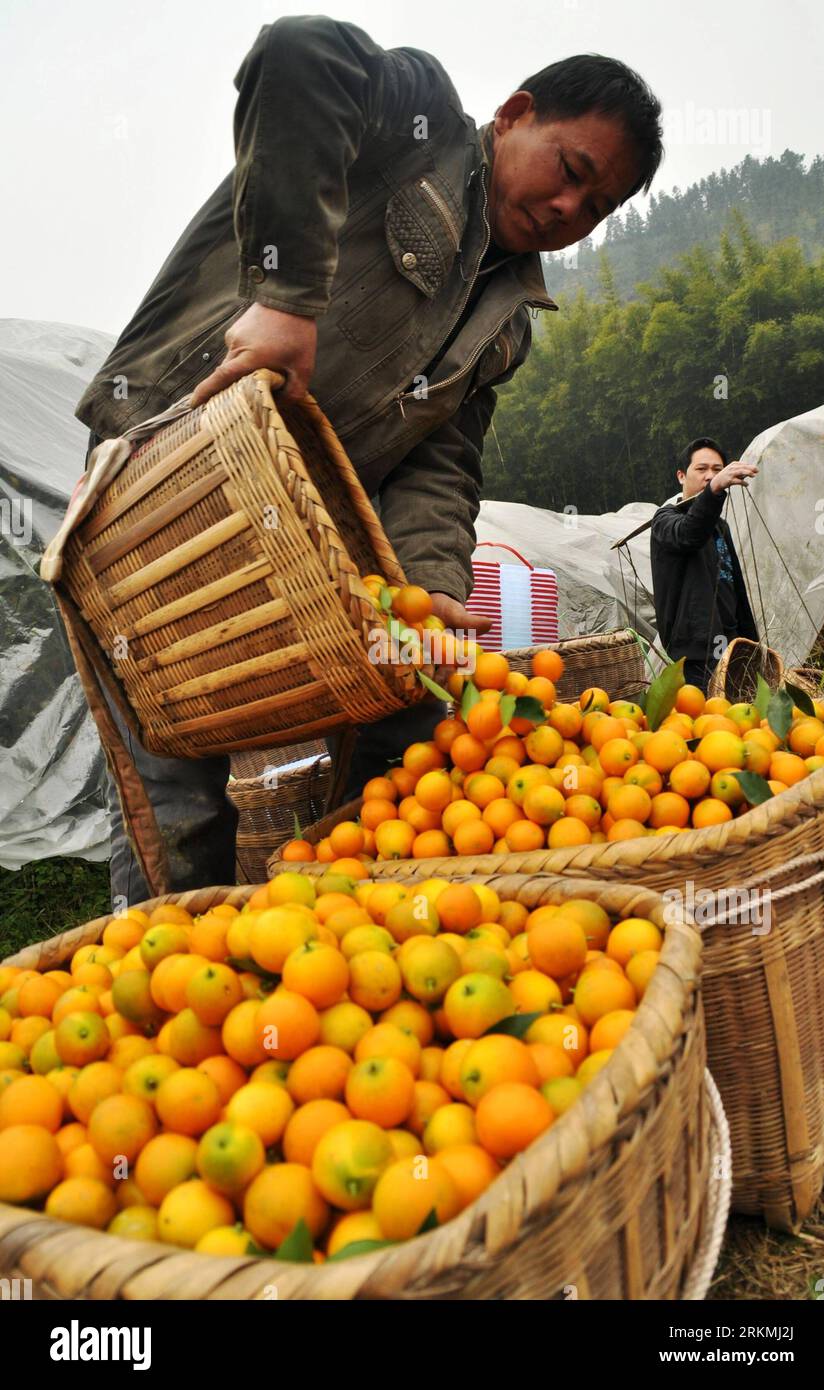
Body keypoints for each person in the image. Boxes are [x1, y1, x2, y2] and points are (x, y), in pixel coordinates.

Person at [74, 15, 663, 906]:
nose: (568, 211)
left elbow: (440, 467)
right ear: (514, 113)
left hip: (292, 534)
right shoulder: (414, 123)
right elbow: (298, 55)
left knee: (410, 722)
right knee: (179, 782)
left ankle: (363, 930)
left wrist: (432, 590)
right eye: (571, 171)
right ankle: (160, 986)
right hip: (163, 467)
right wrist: (287, 299)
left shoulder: (505, 324)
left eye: (597, 209)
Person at [650, 437, 759, 693]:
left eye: (717, 470)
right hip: (696, 652)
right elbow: (689, 534)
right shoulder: (665, 519)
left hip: (731, 644)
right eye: (701, 469)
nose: (710, 476)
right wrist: (715, 490)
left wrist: (750, 643)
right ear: (681, 476)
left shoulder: (720, 527)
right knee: (707, 724)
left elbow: (734, 585)